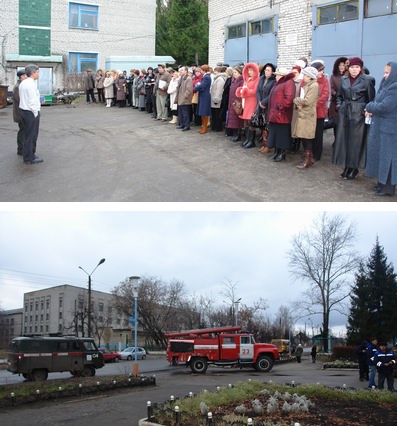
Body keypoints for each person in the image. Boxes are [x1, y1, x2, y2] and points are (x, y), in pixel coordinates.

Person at [332, 57, 375, 180]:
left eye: (356, 67)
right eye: (351, 67)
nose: (354, 69)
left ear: (360, 68)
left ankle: (354, 168)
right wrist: (340, 106)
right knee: (344, 141)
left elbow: (371, 99)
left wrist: (366, 110)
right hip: (344, 113)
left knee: (355, 142)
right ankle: (347, 165)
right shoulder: (344, 79)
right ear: (348, 68)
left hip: (359, 116)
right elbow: (339, 96)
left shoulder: (367, 80)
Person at [365, 61, 397, 196]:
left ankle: (388, 188)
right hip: (380, 126)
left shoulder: (394, 87)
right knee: (381, 156)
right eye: (384, 72)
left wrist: (369, 107)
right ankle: (381, 183)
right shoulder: (385, 85)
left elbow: (385, 106)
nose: (384, 75)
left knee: (389, 158)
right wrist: (372, 106)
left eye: (387, 72)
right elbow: (377, 101)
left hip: (389, 129)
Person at [292, 66, 319, 169]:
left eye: (306, 75)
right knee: (303, 136)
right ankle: (309, 158)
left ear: (310, 76)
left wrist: (296, 100)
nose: (304, 77)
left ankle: (307, 159)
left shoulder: (314, 86)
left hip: (308, 115)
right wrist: (300, 102)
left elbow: (307, 101)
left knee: (307, 137)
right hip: (303, 113)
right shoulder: (308, 85)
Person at [267, 68, 295, 161]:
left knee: (282, 135)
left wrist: (281, 107)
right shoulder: (278, 84)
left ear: (283, 76)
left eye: (278, 74)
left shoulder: (288, 83)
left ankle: (281, 153)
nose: (276, 76)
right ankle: (276, 152)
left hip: (282, 114)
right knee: (276, 134)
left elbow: (289, 98)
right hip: (275, 114)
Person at [19, 64, 43, 164]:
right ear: (33, 72)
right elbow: (32, 101)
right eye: (37, 72)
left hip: (24, 111)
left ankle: (29, 154)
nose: (38, 74)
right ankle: (29, 158)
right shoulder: (31, 84)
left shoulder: (24, 83)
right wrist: (36, 113)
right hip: (30, 113)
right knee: (32, 135)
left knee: (27, 135)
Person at [236, 62, 260, 149]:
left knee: (250, 121)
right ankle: (247, 139)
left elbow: (255, 91)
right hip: (245, 101)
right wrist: (241, 90)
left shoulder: (257, 79)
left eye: (251, 70)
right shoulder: (246, 79)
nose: (250, 72)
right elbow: (244, 88)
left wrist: (245, 91)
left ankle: (251, 141)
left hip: (252, 101)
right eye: (248, 70)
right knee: (246, 121)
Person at [310, 60, 330, 162]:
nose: (321, 73)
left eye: (322, 70)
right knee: (310, 134)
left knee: (318, 135)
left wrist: (314, 105)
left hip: (319, 112)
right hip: (309, 112)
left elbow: (325, 95)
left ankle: (317, 155)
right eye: (319, 70)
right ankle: (309, 153)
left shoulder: (325, 81)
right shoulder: (309, 80)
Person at [256, 63, 276, 153]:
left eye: (268, 70)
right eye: (265, 70)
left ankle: (268, 145)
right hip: (261, 105)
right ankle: (264, 144)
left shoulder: (274, 81)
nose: (266, 72)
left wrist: (264, 102)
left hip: (268, 105)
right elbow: (258, 91)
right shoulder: (262, 79)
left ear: (272, 72)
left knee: (268, 126)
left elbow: (272, 93)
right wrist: (260, 101)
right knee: (263, 125)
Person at [329, 57, 348, 141]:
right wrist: (337, 94)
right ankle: (336, 141)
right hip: (335, 104)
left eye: (343, 65)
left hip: (346, 102)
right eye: (340, 65)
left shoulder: (348, 76)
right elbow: (331, 88)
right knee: (336, 124)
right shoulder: (333, 77)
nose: (341, 67)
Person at [226, 65, 244, 142]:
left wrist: (238, 103)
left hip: (237, 103)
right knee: (232, 120)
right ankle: (234, 133)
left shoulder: (241, 81)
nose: (234, 74)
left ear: (240, 73)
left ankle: (238, 134)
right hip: (231, 103)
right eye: (233, 72)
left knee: (237, 120)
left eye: (236, 72)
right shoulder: (233, 80)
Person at [13, 69, 27, 156]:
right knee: (22, 131)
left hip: (21, 112)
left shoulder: (20, 85)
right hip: (20, 113)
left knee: (24, 131)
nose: (26, 77)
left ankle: (22, 148)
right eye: (25, 75)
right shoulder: (18, 86)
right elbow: (20, 99)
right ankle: (20, 149)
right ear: (21, 76)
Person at [194, 64, 212, 134]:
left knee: (204, 113)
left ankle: (204, 127)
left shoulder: (206, 77)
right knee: (202, 113)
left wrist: (195, 88)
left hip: (205, 96)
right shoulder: (205, 76)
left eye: (201, 69)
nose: (200, 71)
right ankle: (203, 126)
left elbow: (202, 86)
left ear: (204, 70)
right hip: (203, 95)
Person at [175, 66, 193, 131]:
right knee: (181, 113)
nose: (180, 72)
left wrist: (184, 96)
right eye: (180, 71)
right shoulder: (181, 78)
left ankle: (187, 125)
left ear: (186, 71)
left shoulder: (188, 79)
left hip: (185, 99)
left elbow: (189, 90)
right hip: (180, 98)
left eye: (182, 70)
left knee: (185, 113)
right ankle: (181, 124)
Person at [210, 66, 227, 132]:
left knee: (217, 114)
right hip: (214, 98)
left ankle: (217, 127)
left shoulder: (220, 79)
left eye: (216, 71)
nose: (214, 72)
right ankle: (214, 126)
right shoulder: (217, 78)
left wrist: (216, 99)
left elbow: (219, 90)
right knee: (215, 114)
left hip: (217, 99)